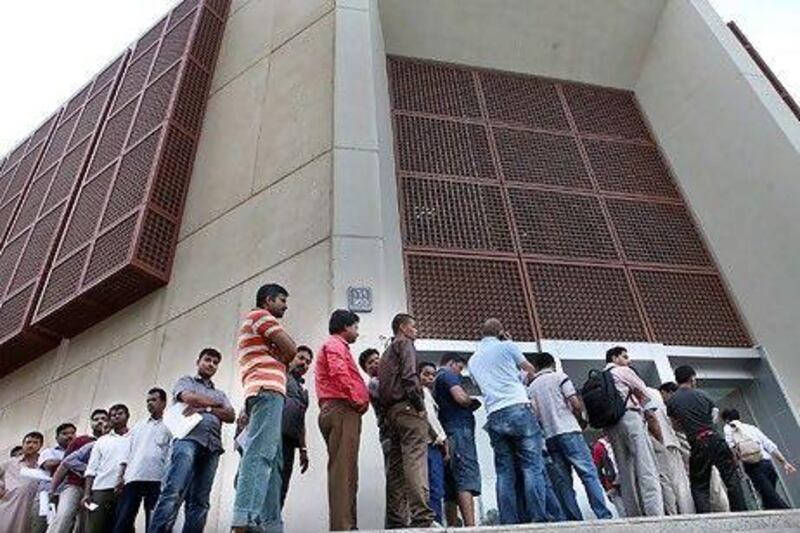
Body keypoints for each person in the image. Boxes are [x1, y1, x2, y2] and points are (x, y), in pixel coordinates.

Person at [232, 283, 297, 533]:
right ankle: (244, 518)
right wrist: (283, 354)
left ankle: (270, 524)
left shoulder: (260, 321)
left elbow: (287, 352)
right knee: (259, 453)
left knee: (274, 461)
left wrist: (280, 354)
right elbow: (291, 349)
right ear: (268, 300)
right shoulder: (260, 316)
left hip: (269, 392)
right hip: (266, 391)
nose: (285, 305)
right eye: (282, 299)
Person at [467, 318, 546, 524]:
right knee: (531, 467)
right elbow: (529, 370)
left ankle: (509, 521)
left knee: (504, 471)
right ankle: (538, 518)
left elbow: (480, 386)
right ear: (500, 332)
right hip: (518, 407)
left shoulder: (473, 360)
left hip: (494, 414)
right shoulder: (508, 346)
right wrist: (511, 345)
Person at [150, 347, 235, 533]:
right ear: (198, 362)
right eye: (207, 360)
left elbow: (230, 415)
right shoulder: (186, 381)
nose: (211, 364)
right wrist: (215, 403)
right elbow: (188, 397)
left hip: (212, 446)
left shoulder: (220, 393)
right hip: (187, 440)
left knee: (200, 501)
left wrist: (205, 409)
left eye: (215, 362)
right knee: (173, 492)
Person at [527, 352, 611, 520]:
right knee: (588, 474)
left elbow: (534, 415)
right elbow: (574, 401)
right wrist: (580, 419)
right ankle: (603, 515)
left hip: (550, 437)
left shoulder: (531, 387)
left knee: (563, 483)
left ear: (536, 367)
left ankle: (574, 520)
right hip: (569, 430)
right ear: (553, 364)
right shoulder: (559, 377)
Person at [378, 313, 436, 529]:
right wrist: (420, 406)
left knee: (396, 468)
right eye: (413, 326)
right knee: (415, 461)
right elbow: (410, 376)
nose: (416, 331)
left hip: (391, 413)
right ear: (402, 327)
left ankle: (396, 519)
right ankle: (422, 516)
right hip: (408, 408)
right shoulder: (405, 344)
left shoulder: (386, 353)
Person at [666, 365, 748, 513]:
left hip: (697, 443)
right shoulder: (703, 395)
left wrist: (690, 427)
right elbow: (714, 416)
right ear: (692, 378)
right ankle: (742, 514)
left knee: (699, 485)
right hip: (715, 439)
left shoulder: (672, 401)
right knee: (731, 478)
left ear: (677, 380)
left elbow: (675, 425)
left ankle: (704, 519)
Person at [316, 309, 370, 531]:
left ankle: (348, 524)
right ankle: (342, 527)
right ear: (345, 327)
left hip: (341, 410)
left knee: (347, 471)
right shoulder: (335, 345)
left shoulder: (337, 346)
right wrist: (357, 397)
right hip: (341, 410)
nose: (357, 332)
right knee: (343, 472)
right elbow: (339, 372)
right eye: (355, 327)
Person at [602, 347, 664, 517]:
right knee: (646, 466)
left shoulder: (599, 377)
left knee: (625, 472)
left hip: (611, 426)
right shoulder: (623, 371)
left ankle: (633, 515)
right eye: (625, 356)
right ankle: (655, 514)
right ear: (615, 358)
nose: (629, 360)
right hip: (630, 417)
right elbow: (645, 393)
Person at [433, 353, 480, 527]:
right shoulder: (447, 375)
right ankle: (471, 526)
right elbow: (460, 397)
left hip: (448, 434)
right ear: (451, 363)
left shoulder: (436, 380)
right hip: (459, 431)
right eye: (459, 368)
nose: (460, 373)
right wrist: (472, 401)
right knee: (464, 477)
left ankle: (452, 526)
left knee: (450, 485)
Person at [114, 388, 170, 532]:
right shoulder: (139, 425)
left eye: (153, 400)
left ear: (163, 403)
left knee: (154, 522)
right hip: (133, 477)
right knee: (123, 520)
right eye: (148, 401)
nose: (149, 403)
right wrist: (120, 476)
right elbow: (127, 452)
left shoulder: (170, 425)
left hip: (157, 479)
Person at [47, 409, 109, 533]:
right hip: (74, 486)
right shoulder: (81, 441)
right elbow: (65, 464)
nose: (100, 422)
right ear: (90, 423)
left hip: (96, 490)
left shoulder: (110, 442)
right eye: (96, 419)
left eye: (103, 419)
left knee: (84, 525)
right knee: (63, 517)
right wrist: (53, 489)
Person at [721, 408, 796, 510]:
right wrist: (784, 463)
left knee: (771, 497)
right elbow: (770, 445)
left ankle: (793, 515)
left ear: (726, 420)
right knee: (768, 498)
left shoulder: (728, 429)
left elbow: (732, 449)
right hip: (768, 464)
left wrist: (736, 465)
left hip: (753, 465)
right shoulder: (751, 428)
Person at [359, 347, 396, 527]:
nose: (375, 363)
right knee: (394, 478)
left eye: (377, 359)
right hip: (389, 434)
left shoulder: (386, 379)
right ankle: (392, 524)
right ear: (366, 369)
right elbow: (391, 396)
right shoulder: (374, 383)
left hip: (394, 433)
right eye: (370, 362)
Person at [647, 384, 694, 515]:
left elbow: (651, 418)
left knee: (666, 482)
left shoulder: (646, 393)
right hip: (672, 442)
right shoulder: (657, 395)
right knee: (681, 483)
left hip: (661, 443)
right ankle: (688, 513)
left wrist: (660, 440)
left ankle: (673, 515)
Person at [83, 404, 130, 533]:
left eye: (120, 413)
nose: (116, 417)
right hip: (101, 489)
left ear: (127, 416)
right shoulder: (102, 440)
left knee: (123, 527)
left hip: (127, 489)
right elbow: (91, 469)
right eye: (113, 415)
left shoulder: (135, 437)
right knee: (95, 527)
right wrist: (87, 493)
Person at [280, 346, 313, 508]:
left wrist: (303, 449)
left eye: (308, 362)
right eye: (301, 358)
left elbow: (301, 421)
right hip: (272, 437)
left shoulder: (303, 390)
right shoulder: (280, 376)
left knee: (282, 486)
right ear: (291, 358)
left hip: (290, 443)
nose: (304, 364)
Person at [33, 423, 76, 532]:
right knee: (41, 527)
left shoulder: (77, 452)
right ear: (57, 438)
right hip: (48, 496)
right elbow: (49, 464)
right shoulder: (49, 452)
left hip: (67, 496)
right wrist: (72, 461)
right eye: (65, 433)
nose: (69, 436)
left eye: (72, 433)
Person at [419, 361, 448, 525]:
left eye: (433, 375)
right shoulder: (423, 392)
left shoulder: (427, 393)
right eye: (426, 374)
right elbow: (430, 418)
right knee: (434, 487)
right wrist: (443, 440)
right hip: (430, 444)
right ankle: (434, 522)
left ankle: (433, 521)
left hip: (427, 444)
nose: (430, 377)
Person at [0, 431, 43, 533]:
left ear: (41, 445)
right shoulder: (10, 463)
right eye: (28, 442)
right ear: (23, 444)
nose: (31, 445)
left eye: (35, 442)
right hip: (9, 506)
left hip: (30, 510)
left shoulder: (43, 465)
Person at [591, 435, 625, 517]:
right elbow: (598, 470)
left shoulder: (598, 447)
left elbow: (598, 470)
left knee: (624, 514)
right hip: (620, 484)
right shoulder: (599, 447)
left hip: (613, 484)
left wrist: (606, 488)